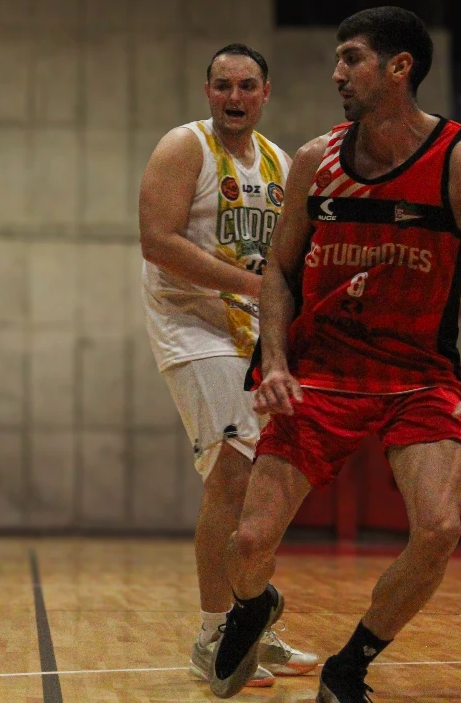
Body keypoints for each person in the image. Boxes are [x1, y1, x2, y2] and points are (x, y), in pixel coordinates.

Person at [209, 7, 461, 702]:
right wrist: (279, 366)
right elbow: (279, 273)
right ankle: (252, 606)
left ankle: (350, 663)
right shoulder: (314, 160)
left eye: (350, 58)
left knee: (441, 526)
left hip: (418, 378)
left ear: (399, 68)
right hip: (320, 372)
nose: (336, 74)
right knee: (248, 545)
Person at [139, 43, 315, 687]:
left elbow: (288, 262)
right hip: (191, 327)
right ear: (207, 90)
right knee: (233, 477)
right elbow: (157, 243)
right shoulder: (183, 147)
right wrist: (253, 287)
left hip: (252, 334)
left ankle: (255, 629)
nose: (233, 97)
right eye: (222, 86)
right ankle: (216, 633)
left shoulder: (281, 162)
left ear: (266, 92)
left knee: (261, 483)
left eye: (246, 86)